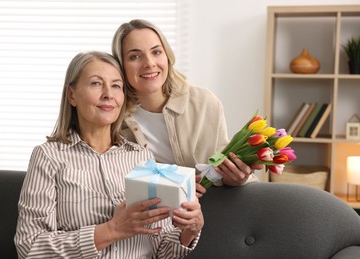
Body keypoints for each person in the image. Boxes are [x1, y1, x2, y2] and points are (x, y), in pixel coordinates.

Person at [14, 51, 203, 259]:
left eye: (116, 86)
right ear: (71, 95)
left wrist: (189, 231)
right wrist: (111, 230)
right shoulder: (48, 157)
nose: (108, 94)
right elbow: (30, 248)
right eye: (96, 83)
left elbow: (162, 252)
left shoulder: (141, 157)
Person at [111, 19, 262, 196]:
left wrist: (235, 176)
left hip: (210, 206)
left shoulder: (204, 103)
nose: (149, 63)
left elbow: (220, 162)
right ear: (120, 66)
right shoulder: (113, 115)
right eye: (135, 56)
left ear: (167, 56)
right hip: (151, 214)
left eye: (156, 52)